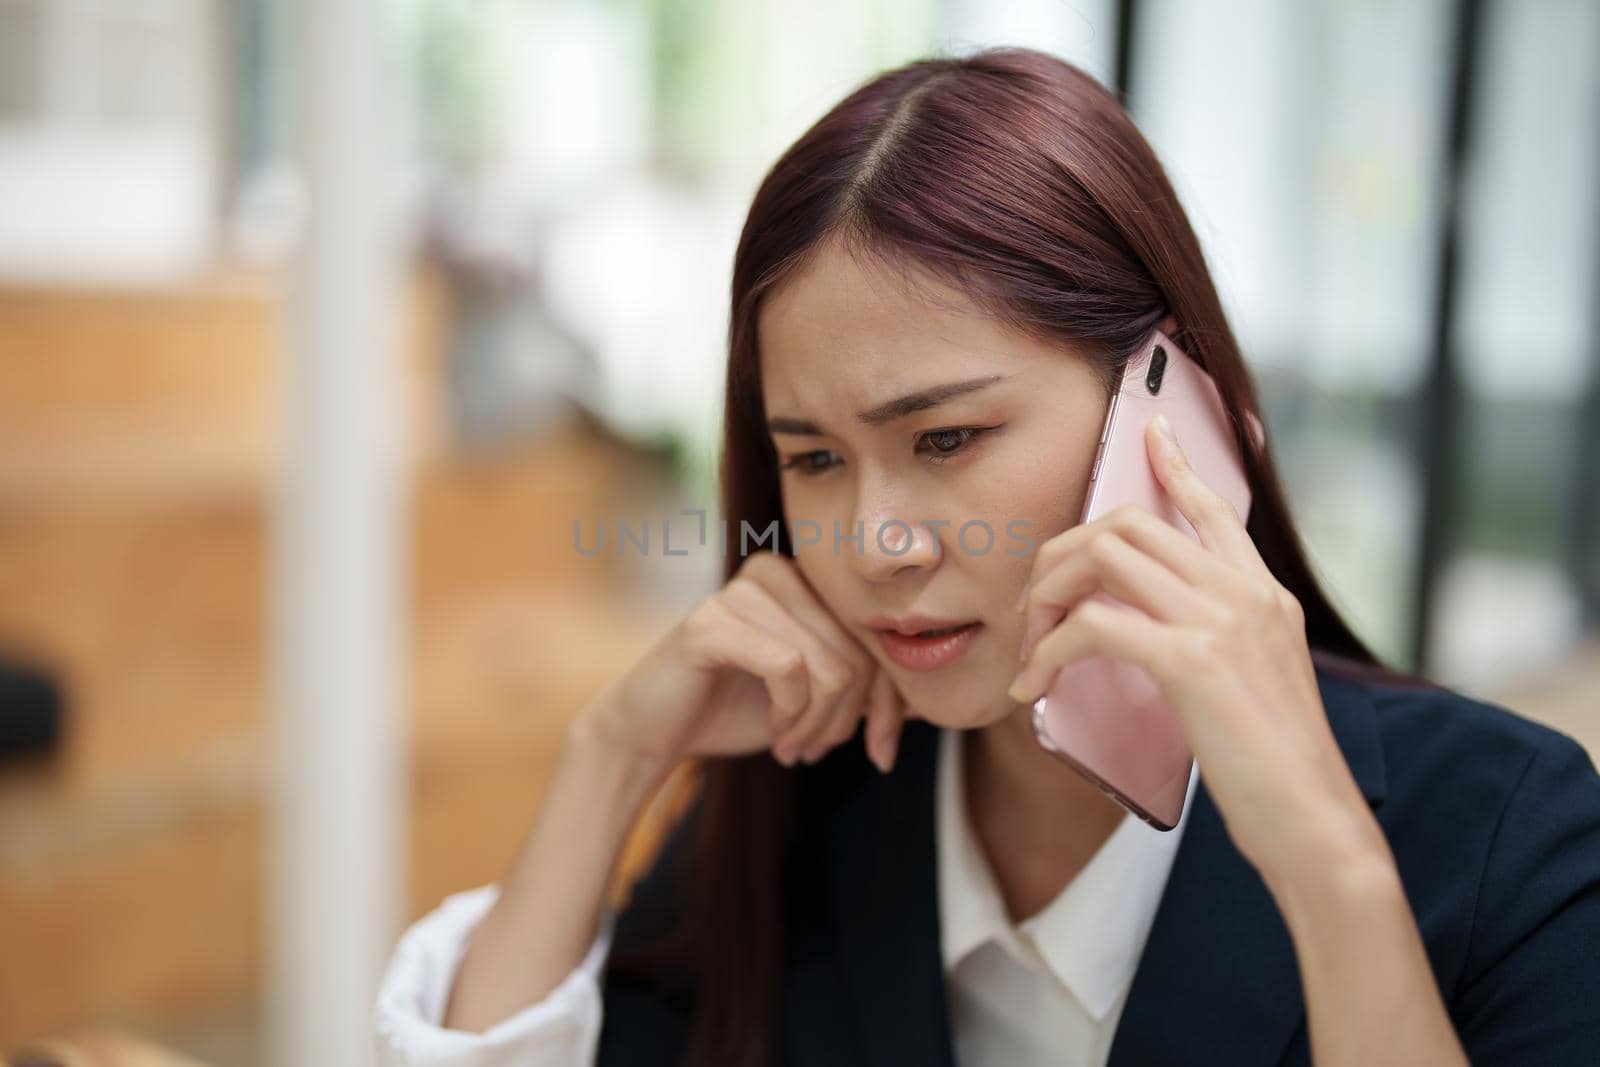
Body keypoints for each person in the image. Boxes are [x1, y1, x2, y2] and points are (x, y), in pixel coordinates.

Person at [374, 47, 1600, 1066]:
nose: (876, 544)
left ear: (1167, 416)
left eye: (946, 436)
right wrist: (611, 756)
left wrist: (1329, 867)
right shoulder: (812, 805)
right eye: (812, 459)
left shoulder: (1503, 834)